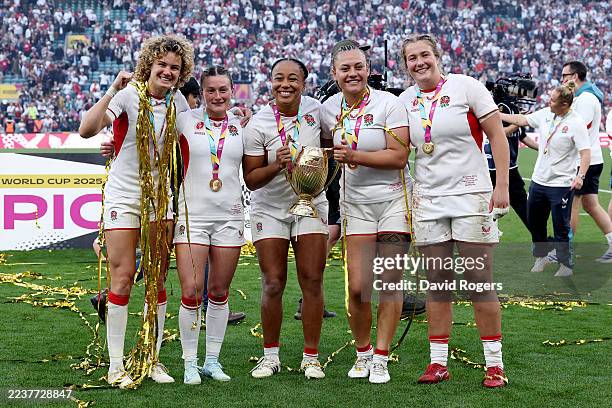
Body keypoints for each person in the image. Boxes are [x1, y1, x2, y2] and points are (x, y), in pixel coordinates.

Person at [79, 35, 194, 388]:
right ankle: (116, 365)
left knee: (157, 280)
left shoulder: (181, 107)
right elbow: (87, 129)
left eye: (175, 67)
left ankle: (153, 358)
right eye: (162, 65)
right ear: (149, 65)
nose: (168, 71)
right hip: (124, 197)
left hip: (161, 201)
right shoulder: (128, 96)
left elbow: (191, 149)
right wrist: (113, 88)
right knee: (124, 275)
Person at [397, 34, 510, 388]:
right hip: (428, 201)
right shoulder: (404, 101)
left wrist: (502, 185)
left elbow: (496, 135)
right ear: (406, 65)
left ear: (437, 56)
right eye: (412, 58)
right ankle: (437, 363)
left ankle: (494, 365)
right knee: (438, 286)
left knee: (480, 283)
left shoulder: (466, 86)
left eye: (425, 55)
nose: (419, 62)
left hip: (471, 195)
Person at [321, 40, 410, 384]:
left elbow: (399, 156)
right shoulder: (329, 109)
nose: (353, 73)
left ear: (368, 69)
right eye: (345, 68)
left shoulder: (390, 104)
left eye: (358, 66)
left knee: (389, 282)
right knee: (357, 288)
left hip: (393, 202)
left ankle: (382, 357)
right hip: (355, 205)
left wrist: (354, 157)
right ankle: (363, 351)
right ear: (335, 73)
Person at [243, 58, 329, 380]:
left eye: (293, 78)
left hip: (310, 202)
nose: (286, 84)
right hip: (270, 207)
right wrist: (278, 165)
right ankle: (270, 356)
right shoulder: (259, 124)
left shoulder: (317, 111)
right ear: (271, 82)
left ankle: (311, 357)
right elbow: (251, 179)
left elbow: (333, 144)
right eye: (279, 78)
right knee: (274, 282)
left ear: (304, 83)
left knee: (312, 279)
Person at [174, 66, 246, 384]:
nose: (218, 96)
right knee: (191, 290)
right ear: (201, 93)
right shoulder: (184, 119)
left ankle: (212, 361)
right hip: (192, 215)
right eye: (211, 90)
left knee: (219, 291)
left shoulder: (243, 124)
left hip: (230, 215)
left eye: (223, 90)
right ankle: (190, 362)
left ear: (232, 92)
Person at [501, 84, 591, 276]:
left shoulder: (576, 123)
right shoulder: (546, 114)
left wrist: (580, 176)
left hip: (561, 185)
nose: (548, 102)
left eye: (552, 100)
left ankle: (565, 264)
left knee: (560, 226)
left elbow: (585, 153)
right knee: (535, 222)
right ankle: (541, 258)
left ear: (565, 104)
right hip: (538, 181)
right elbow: (522, 119)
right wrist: (498, 115)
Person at [561, 61, 612, 263]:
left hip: (584, 160)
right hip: (592, 158)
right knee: (591, 204)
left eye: (565, 75)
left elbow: (577, 128)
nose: (562, 79)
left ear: (575, 76)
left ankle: (565, 251)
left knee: (572, 206)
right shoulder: (587, 96)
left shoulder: (586, 99)